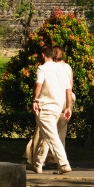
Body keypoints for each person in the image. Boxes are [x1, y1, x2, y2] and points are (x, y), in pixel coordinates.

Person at [31, 46, 73, 174]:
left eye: (39, 56)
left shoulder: (42, 68)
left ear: (43, 55)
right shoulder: (62, 69)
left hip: (46, 106)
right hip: (57, 107)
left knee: (52, 136)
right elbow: (68, 89)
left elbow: (38, 84)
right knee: (46, 135)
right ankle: (38, 164)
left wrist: (34, 100)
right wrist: (68, 107)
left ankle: (64, 164)